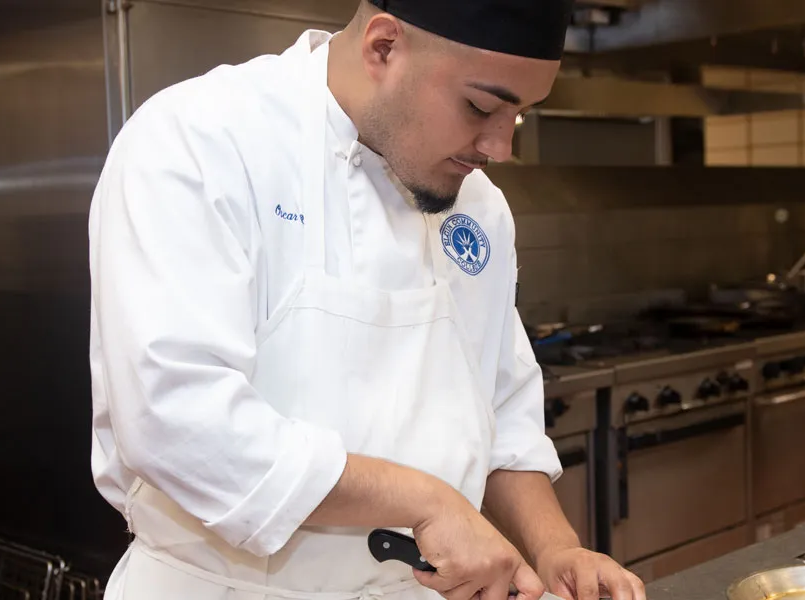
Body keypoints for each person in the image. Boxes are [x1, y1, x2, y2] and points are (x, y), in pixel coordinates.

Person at [88, 1, 644, 598]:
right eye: (481, 106)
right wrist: (427, 501)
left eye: (519, 116)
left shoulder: (478, 205)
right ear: (383, 46)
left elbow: (499, 408)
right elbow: (175, 419)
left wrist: (555, 545)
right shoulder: (199, 143)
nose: (500, 146)